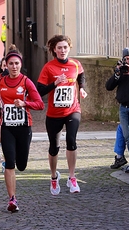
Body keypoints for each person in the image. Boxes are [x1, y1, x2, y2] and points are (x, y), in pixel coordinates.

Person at [0, 50, 44, 212]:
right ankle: (12, 199)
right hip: (7, 128)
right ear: (6, 65)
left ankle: (16, 165)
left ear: (21, 65)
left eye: (17, 63)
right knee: (10, 163)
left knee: (21, 165)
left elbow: (39, 104)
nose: (14, 66)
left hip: (24, 128)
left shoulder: (26, 82)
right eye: (11, 63)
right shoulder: (1, 82)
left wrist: (24, 103)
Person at [37, 35, 88, 195]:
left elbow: (81, 75)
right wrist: (55, 83)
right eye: (59, 48)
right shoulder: (48, 67)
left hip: (73, 109)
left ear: (69, 48)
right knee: (54, 147)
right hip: (54, 113)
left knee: (71, 140)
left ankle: (72, 177)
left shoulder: (75, 64)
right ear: (54, 50)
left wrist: (81, 88)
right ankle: (54, 176)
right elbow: (40, 90)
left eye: (65, 47)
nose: (62, 50)